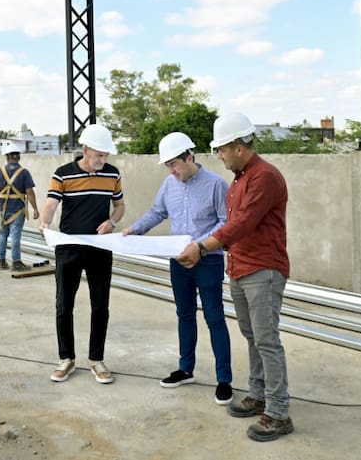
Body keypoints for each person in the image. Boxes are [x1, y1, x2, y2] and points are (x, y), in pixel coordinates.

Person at [176, 112, 292, 442]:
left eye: (222, 149)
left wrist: (201, 246)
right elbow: (232, 225)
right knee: (252, 334)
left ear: (239, 147)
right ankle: (259, 394)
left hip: (263, 269)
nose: (219, 156)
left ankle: (279, 411)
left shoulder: (264, 177)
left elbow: (241, 225)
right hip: (240, 267)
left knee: (266, 338)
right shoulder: (241, 179)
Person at [121, 132, 233, 405]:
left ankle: (224, 380)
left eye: (175, 164)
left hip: (208, 260)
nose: (172, 170)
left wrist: (201, 246)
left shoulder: (216, 185)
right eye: (168, 165)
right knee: (184, 314)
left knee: (214, 317)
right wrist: (134, 229)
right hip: (178, 261)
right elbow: (157, 212)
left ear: (189, 157)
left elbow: (226, 222)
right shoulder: (169, 185)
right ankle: (185, 369)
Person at [39, 123, 125, 385]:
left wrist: (112, 222)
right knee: (64, 304)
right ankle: (66, 358)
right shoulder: (63, 174)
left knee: (101, 305)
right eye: (99, 155)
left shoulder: (112, 174)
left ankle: (97, 360)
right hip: (68, 248)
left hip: (100, 247)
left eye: (106, 156)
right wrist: (44, 223)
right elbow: (51, 204)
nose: (103, 160)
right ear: (85, 150)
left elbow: (120, 205)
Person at [0, 141, 40, 271]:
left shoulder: (0, 171)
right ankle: (16, 263)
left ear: (7, 157)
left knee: (2, 235)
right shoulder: (24, 173)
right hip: (17, 210)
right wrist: (35, 208)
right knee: (15, 236)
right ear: (18, 157)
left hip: (2, 209)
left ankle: (1, 261)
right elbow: (29, 191)